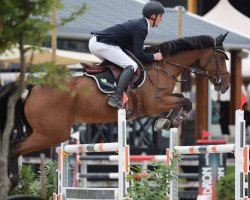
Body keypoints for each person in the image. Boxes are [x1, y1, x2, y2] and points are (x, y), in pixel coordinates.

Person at [88, 1, 165, 108]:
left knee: (121, 65)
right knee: (132, 66)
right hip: (102, 44)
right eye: (161, 16)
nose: (162, 19)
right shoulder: (142, 27)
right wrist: (154, 56)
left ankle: (110, 89)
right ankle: (116, 97)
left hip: (99, 43)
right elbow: (138, 53)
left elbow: (134, 49)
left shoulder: (140, 24)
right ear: (153, 16)